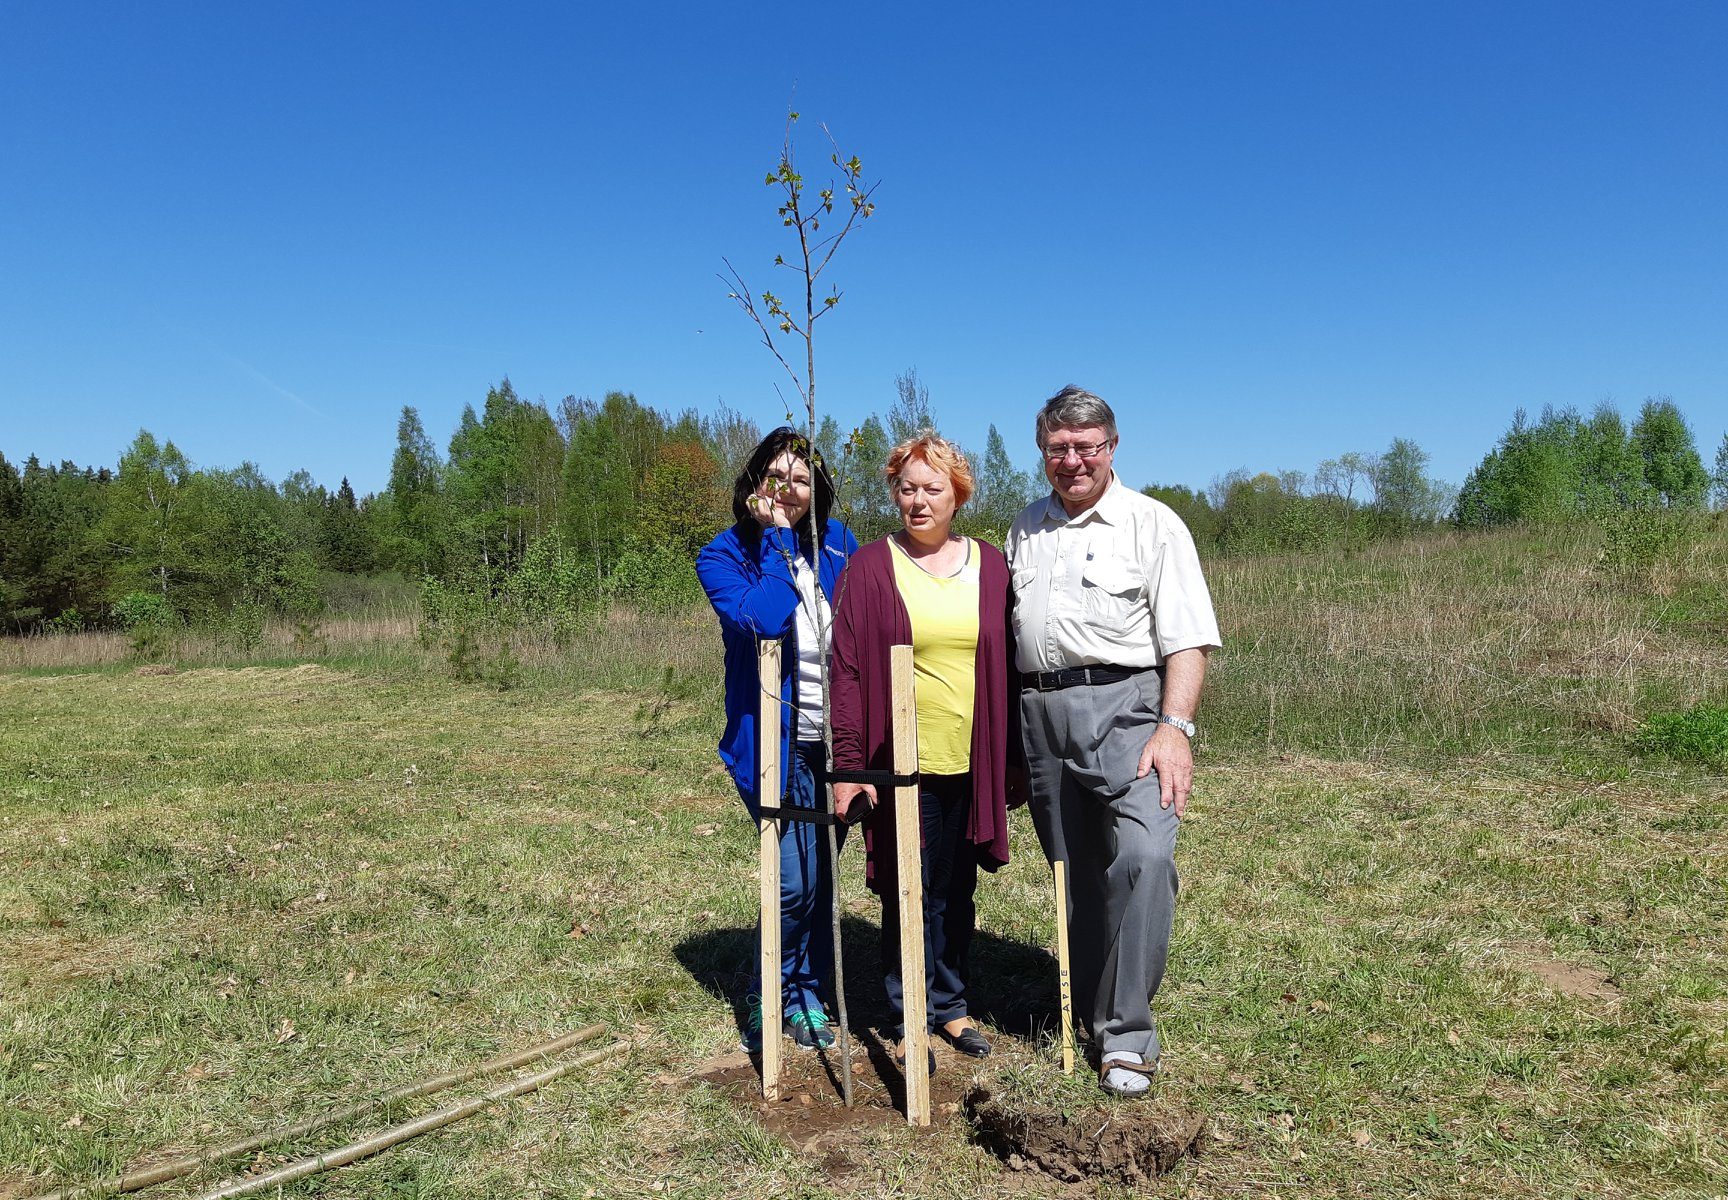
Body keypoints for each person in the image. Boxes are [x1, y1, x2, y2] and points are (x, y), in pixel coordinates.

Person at [1005, 386, 1221, 1097]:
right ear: (1043, 451)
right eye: (1059, 448)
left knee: (1144, 857)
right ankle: (1090, 1010)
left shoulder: (1152, 525)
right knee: (1076, 874)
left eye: (1087, 446)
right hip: (1041, 714)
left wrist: (1175, 728)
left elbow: (1188, 638)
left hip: (1131, 710)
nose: (1074, 460)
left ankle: (1126, 1036)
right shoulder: (1024, 529)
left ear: (1112, 447)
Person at [829, 433, 1019, 1064]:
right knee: (907, 888)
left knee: (956, 888)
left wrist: (1013, 756)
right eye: (906, 487)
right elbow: (848, 672)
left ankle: (952, 1006)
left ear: (956, 494)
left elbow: (1011, 665)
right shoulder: (869, 568)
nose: (917, 501)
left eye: (931, 488)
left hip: (972, 758)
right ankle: (909, 1012)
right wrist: (852, 767)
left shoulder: (992, 567)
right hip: (901, 763)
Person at [695, 427, 858, 1053]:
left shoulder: (838, 545)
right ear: (755, 483)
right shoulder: (724, 555)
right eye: (777, 477)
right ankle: (773, 990)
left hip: (832, 740)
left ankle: (809, 988)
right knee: (792, 878)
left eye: (802, 478)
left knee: (821, 873)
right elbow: (762, 618)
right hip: (772, 742)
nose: (790, 488)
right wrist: (781, 542)